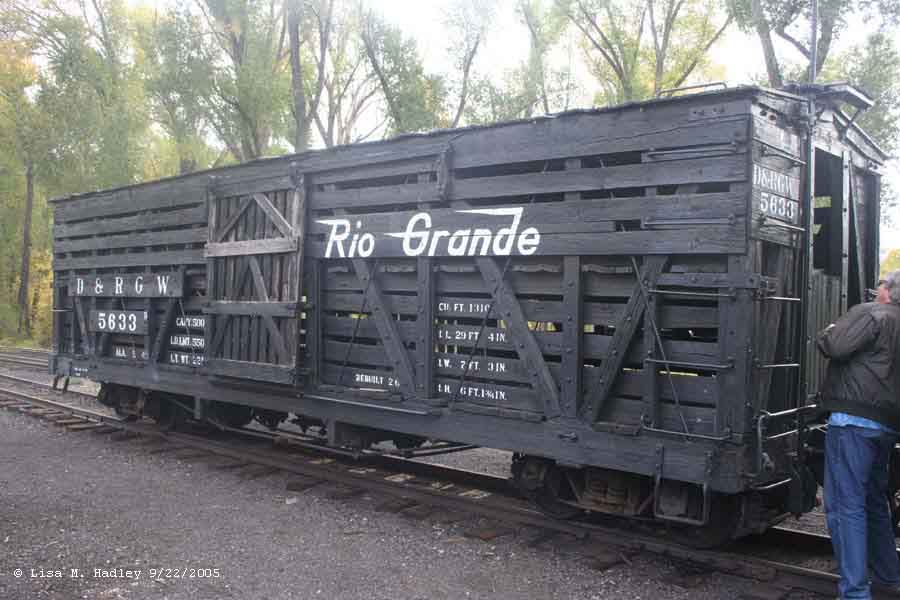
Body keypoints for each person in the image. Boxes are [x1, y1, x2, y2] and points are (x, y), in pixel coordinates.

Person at [818, 270, 900, 599]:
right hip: (887, 424)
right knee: (875, 501)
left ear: (888, 291)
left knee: (845, 506)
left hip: (853, 421)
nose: (875, 290)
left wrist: (829, 330)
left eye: (879, 286)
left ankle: (854, 592)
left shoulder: (873, 313)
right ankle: (889, 576)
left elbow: (833, 345)